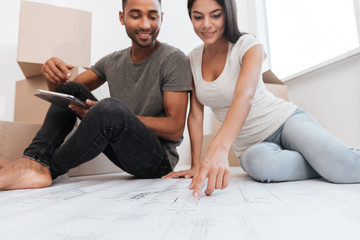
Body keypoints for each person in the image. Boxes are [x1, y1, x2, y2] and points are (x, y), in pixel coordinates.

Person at [163, 0, 360, 198]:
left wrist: (219, 149)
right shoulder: (191, 60)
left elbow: (244, 95)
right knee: (261, 166)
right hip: (251, 147)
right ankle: (325, 162)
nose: (206, 24)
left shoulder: (249, 45)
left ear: (228, 14)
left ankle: (333, 161)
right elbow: (196, 114)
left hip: (285, 122)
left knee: (345, 168)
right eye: (198, 17)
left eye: (215, 15)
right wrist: (196, 165)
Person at [0, 0, 192, 190]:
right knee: (73, 89)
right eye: (135, 15)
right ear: (122, 17)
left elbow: (175, 128)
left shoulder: (173, 59)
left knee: (110, 109)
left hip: (158, 161)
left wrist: (115, 116)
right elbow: (64, 93)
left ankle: (47, 169)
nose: (145, 24)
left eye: (153, 16)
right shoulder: (112, 61)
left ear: (161, 18)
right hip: (122, 149)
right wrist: (52, 73)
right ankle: (34, 159)